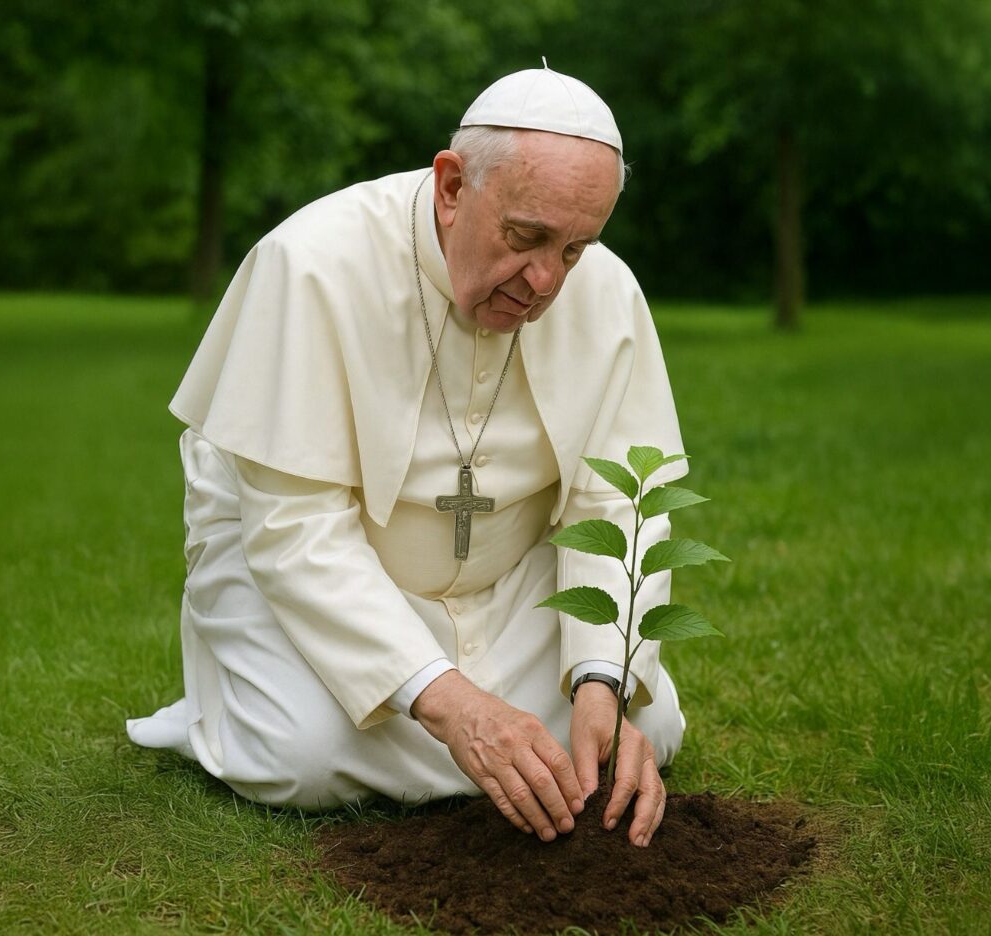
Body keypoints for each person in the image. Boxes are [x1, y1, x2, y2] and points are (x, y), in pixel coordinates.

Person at [127, 64, 688, 849]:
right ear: (452, 186)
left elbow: (616, 504)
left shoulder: (607, 292)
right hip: (311, 571)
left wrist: (602, 683)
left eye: (576, 248)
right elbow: (295, 529)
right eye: (525, 237)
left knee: (647, 727)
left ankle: (505, 732)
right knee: (307, 758)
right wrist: (454, 706)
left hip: (502, 583)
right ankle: (421, 717)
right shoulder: (312, 264)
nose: (545, 281)